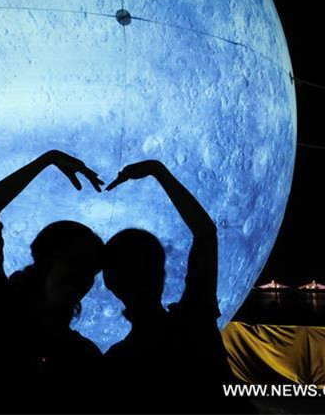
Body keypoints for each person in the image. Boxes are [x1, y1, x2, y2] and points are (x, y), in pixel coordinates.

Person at [102, 160, 253, 414]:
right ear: (162, 273)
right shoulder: (196, 321)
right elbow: (204, 232)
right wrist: (157, 171)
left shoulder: (117, 361)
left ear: (111, 284)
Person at [0, 149, 107, 414]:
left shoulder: (85, 354)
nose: (83, 279)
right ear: (45, 260)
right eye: (76, 262)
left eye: (91, 271)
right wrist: (49, 158)